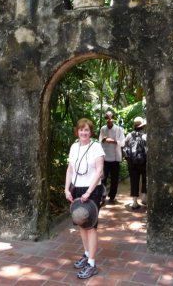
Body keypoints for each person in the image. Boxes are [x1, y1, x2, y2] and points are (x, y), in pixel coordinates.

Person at [65, 118, 105, 279]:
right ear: (77, 131)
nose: (84, 132)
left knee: (91, 226)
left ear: (91, 132)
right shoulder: (74, 147)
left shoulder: (96, 147)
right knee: (81, 223)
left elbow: (99, 171)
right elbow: (70, 170)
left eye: (87, 130)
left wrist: (89, 192)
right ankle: (87, 254)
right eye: (81, 129)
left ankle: (92, 263)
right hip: (77, 188)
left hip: (92, 189)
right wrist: (66, 189)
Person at [98, 110, 125, 204]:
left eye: (111, 117)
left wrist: (114, 141)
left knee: (114, 179)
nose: (109, 120)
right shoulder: (103, 129)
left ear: (113, 118)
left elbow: (123, 143)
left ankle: (112, 196)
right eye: (107, 118)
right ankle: (103, 195)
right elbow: (99, 142)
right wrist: (104, 140)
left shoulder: (119, 129)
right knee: (103, 178)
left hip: (115, 158)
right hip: (105, 158)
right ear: (105, 119)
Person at [123, 116, 147, 209]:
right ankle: (144, 197)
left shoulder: (129, 135)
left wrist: (128, 159)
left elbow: (124, 148)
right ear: (142, 126)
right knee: (145, 179)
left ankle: (134, 202)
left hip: (132, 163)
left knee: (134, 181)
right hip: (144, 162)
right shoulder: (145, 136)